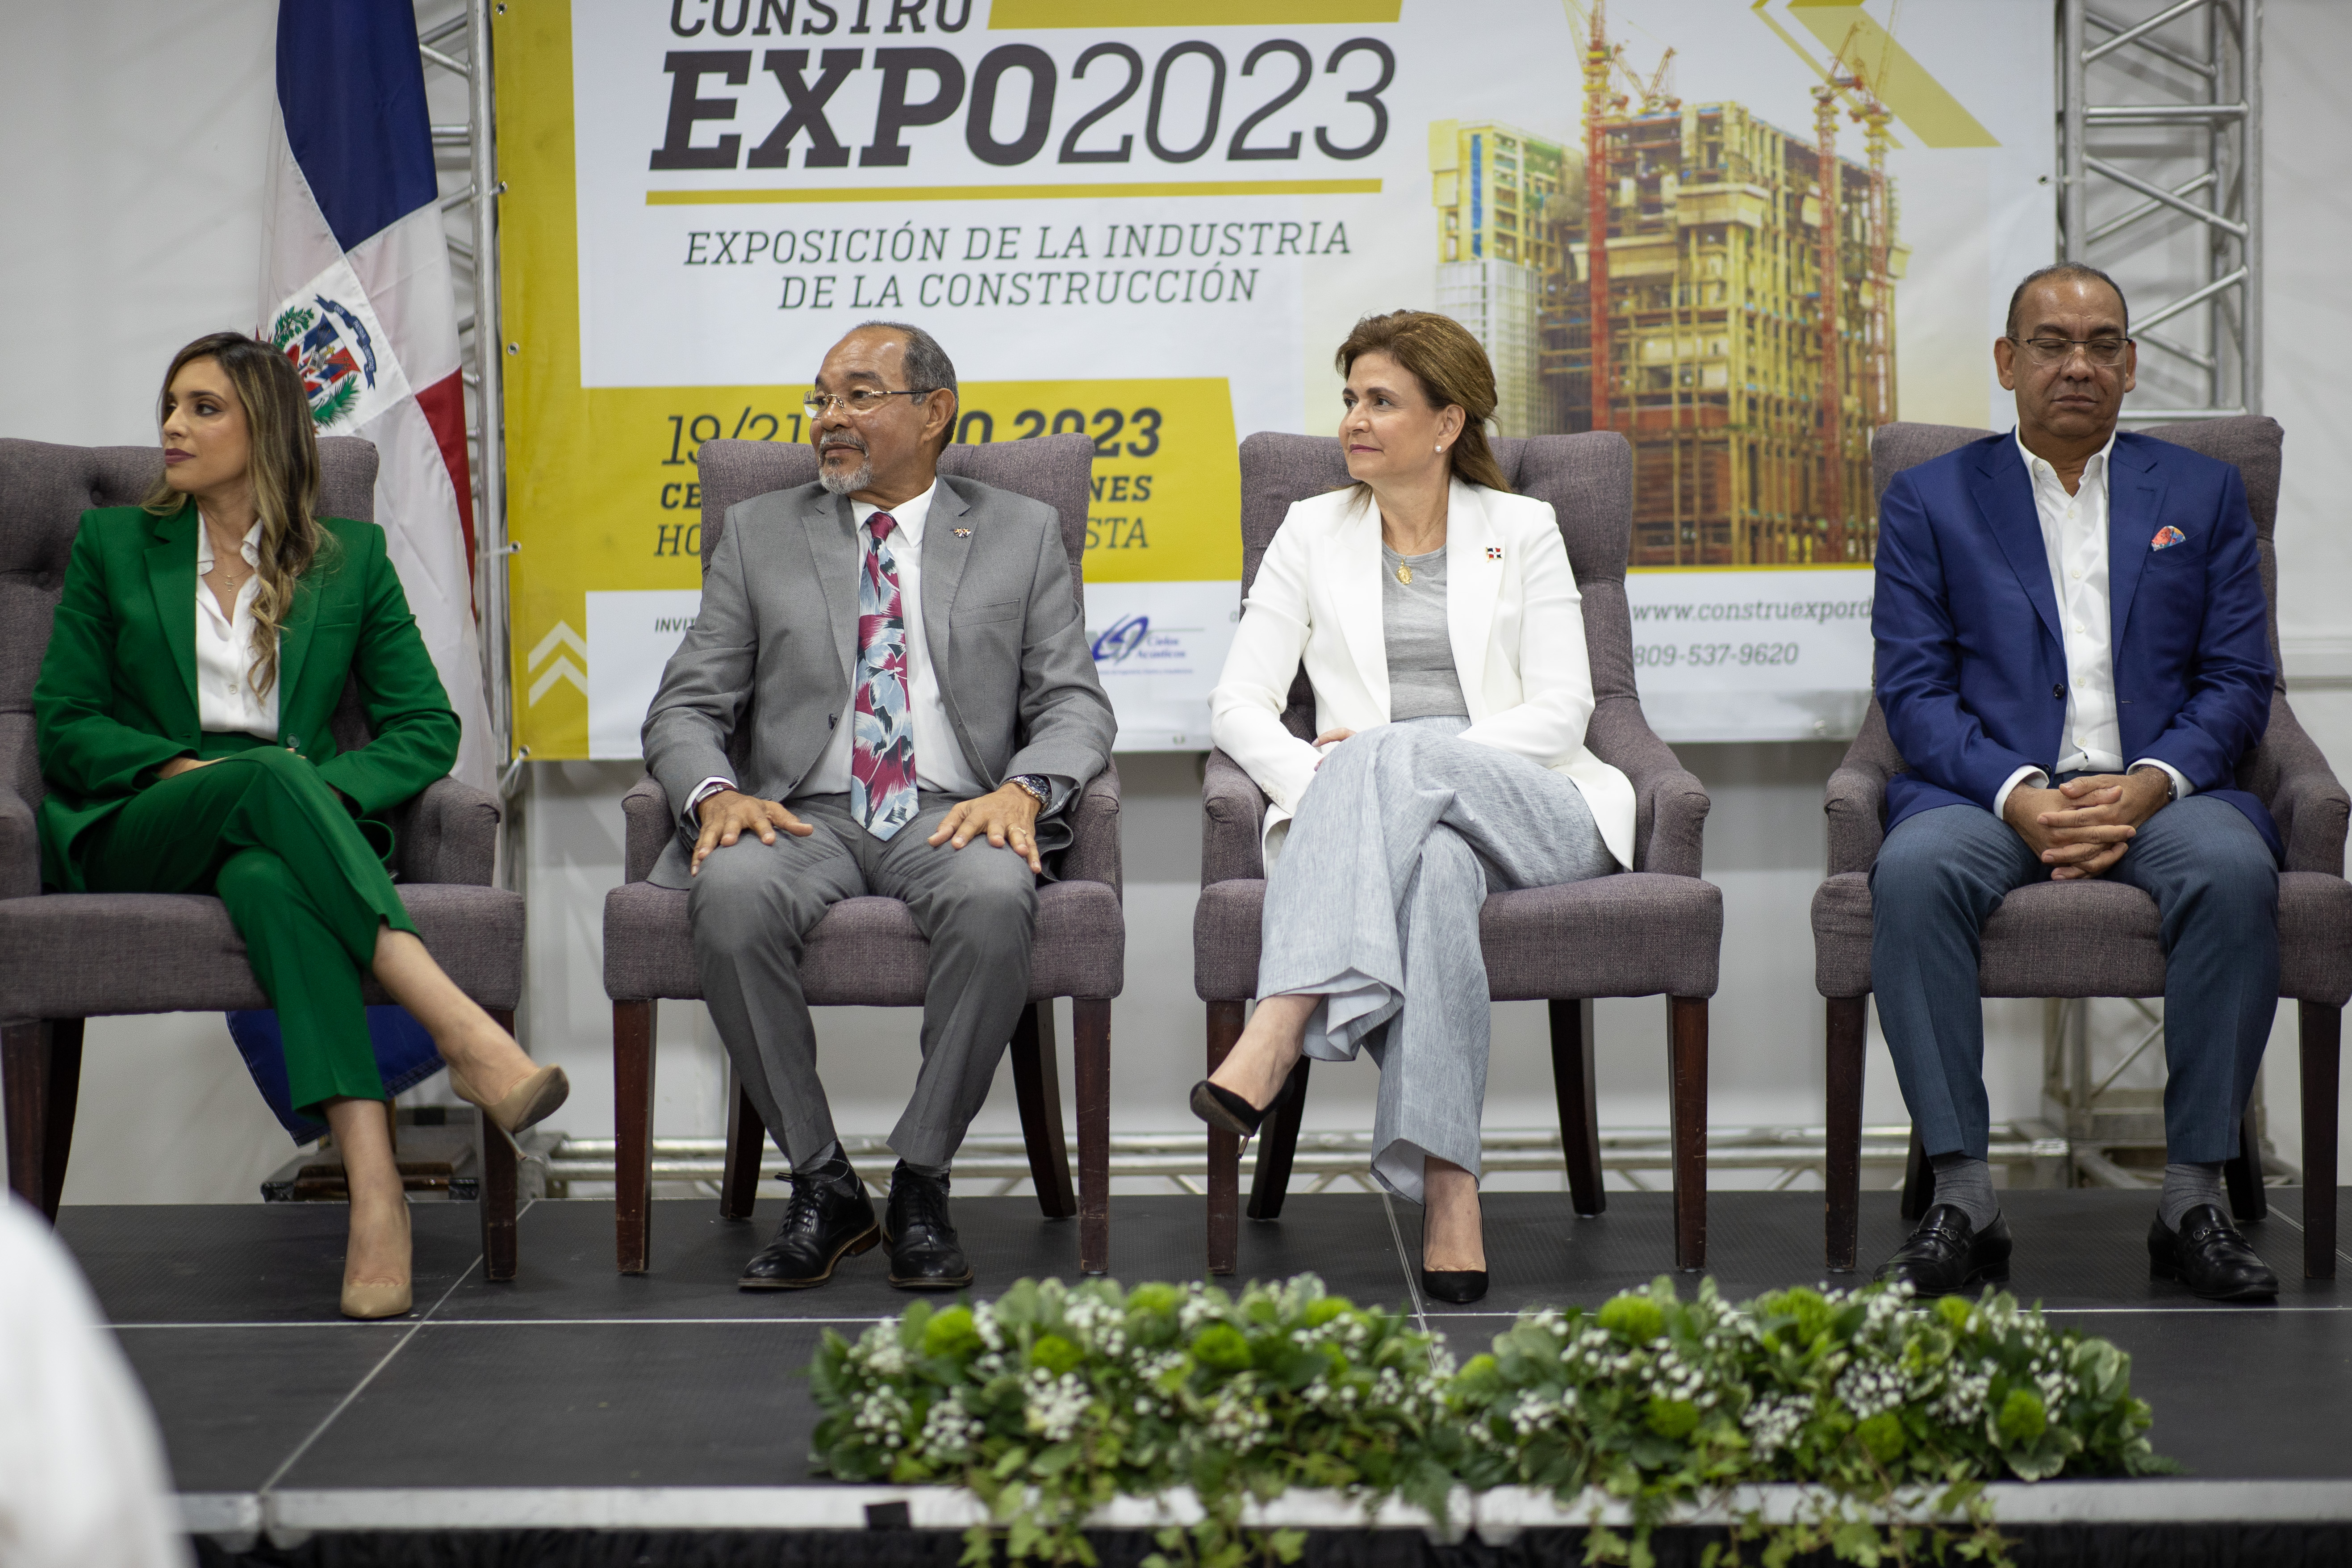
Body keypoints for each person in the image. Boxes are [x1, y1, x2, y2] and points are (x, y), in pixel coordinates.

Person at [32, 332, 567, 1321]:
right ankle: (462, 1029)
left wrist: (307, 793)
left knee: (272, 875)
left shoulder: (348, 561)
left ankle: (376, 1194)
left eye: (203, 408)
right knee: (268, 779)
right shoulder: (114, 545)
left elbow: (426, 727)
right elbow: (65, 723)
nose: (172, 427)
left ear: (267, 429)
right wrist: (188, 770)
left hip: (280, 829)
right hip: (140, 819)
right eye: (171, 406)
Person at [641, 321, 1115, 1293]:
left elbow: (1075, 703)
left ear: (934, 412)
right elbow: (686, 706)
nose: (831, 418)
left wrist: (1024, 790)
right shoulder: (760, 532)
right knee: (729, 894)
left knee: (996, 897)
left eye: (860, 396)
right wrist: (716, 793)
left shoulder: (1021, 531)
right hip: (800, 813)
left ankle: (921, 1181)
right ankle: (823, 1182)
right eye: (821, 399)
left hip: (953, 811)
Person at [1189, 310, 1635, 1305]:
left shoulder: (1524, 529)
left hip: (1538, 808)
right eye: (1351, 398)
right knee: (1432, 872)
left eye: (1381, 401)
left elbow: (1564, 710)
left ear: (1446, 423)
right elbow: (1238, 704)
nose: (1354, 419)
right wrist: (1334, 782)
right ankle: (1448, 1189)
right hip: (1390, 828)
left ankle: (1279, 1024)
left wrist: (1393, 757)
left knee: (1401, 760)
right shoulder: (1312, 530)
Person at [1870, 264, 2280, 1301]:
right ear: (2008, 362)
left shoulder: (2200, 493)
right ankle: (1966, 1200)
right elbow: (1912, 690)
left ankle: (2192, 1201)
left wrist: (2153, 782)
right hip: (1989, 794)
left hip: (2161, 791)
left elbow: (2240, 679)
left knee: (2234, 871)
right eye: (2051, 344)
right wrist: (2020, 795)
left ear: (2132, 365)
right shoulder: (1930, 498)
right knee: (1912, 873)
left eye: (2102, 344)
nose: (2078, 365)